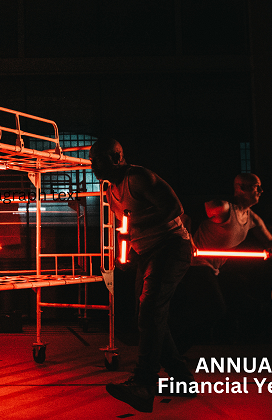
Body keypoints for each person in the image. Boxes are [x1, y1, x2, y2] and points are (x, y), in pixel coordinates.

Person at [89, 139, 193, 413]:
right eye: (91, 160)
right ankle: (183, 379)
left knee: (149, 310)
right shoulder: (110, 189)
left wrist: (133, 226)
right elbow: (128, 227)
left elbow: (173, 208)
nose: (92, 166)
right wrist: (126, 255)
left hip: (171, 247)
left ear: (116, 156)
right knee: (149, 314)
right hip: (148, 253)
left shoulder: (138, 177)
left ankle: (144, 385)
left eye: (97, 159)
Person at [171, 173, 272, 352]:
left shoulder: (251, 218)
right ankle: (172, 346)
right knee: (214, 309)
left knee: (223, 307)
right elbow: (181, 215)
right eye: (256, 186)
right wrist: (187, 242)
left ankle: (173, 347)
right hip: (194, 265)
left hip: (214, 268)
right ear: (240, 188)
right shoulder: (222, 208)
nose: (261, 190)